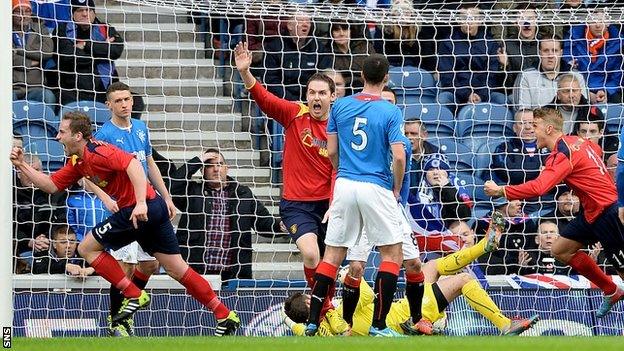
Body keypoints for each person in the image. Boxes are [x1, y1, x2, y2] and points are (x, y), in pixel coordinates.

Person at [9, 112, 240, 336]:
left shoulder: (99, 151)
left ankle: (133, 295)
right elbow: (50, 185)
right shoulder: (78, 161)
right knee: (176, 268)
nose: (57, 137)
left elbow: (133, 165)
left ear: (77, 135)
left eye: (62, 132)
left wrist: (139, 203)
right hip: (153, 208)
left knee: (87, 248)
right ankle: (224, 314)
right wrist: (21, 164)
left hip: (137, 209)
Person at [282, 215, 538, 336]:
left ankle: (484, 246)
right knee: (464, 280)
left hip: (403, 309)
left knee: (433, 266)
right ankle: (504, 324)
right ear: (308, 303)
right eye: (310, 297)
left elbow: (292, 324)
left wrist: (297, 320)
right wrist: (348, 278)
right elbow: (370, 297)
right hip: (405, 315)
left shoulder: (318, 332)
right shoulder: (338, 314)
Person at [484, 107, 624, 317]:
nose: (531, 131)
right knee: (560, 250)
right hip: (591, 212)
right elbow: (597, 153)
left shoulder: (563, 153)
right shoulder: (579, 142)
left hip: (607, 212)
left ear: (548, 128)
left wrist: (502, 190)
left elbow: (539, 188)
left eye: (535, 126)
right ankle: (610, 289)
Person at [304, 54, 406, 337]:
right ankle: (379, 325)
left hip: (345, 184)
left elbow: (332, 151)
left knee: (333, 253)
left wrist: (343, 173)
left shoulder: (342, 106)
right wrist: (396, 186)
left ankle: (313, 321)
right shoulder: (389, 110)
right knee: (392, 253)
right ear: (386, 78)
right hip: (375, 185)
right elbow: (398, 156)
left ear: (360, 76)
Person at [234, 42, 334, 299]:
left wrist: (336, 203)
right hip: (296, 205)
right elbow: (265, 100)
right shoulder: (295, 114)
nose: (316, 98)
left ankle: (326, 308)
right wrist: (245, 72)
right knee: (311, 254)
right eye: (312, 93)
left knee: (329, 263)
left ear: (332, 97)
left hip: (329, 204)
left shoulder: (340, 126)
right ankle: (322, 310)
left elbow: (339, 169)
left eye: (322, 93)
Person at [91, 82, 177, 336]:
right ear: (109, 105)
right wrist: (106, 197)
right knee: (123, 267)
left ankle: (127, 312)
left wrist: (167, 197)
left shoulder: (141, 128)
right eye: (118, 101)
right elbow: (87, 176)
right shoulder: (103, 136)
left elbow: (148, 163)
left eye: (127, 99)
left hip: (147, 204)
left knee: (149, 264)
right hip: (124, 207)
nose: (125, 104)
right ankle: (115, 322)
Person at [341, 85, 427, 336]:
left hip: (392, 207)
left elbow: (405, 180)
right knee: (356, 267)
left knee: (414, 265)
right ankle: (345, 323)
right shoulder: (366, 140)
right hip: (365, 204)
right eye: (382, 100)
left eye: (391, 102)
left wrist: (397, 201)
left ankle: (416, 318)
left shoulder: (403, 145)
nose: (386, 105)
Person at [156, 148, 284, 280]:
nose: (216, 169)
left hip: (234, 273)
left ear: (226, 168)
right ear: (202, 170)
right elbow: (171, 186)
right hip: (196, 271)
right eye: (210, 166)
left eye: (220, 164)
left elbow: (264, 223)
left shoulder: (243, 194)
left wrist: (282, 224)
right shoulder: (192, 191)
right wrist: (198, 160)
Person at [56, 0, 124, 104]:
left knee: (137, 102)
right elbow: (68, 57)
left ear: (94, 13)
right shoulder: (62, 29)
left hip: (105, 88)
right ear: (72, 13)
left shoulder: (105, 28)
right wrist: (102, 50)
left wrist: (85, 45)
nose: (85, 14)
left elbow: (116, 50)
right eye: (80, 10)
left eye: (89, 10)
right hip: (72, 89)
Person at [512, 34, 588, 110]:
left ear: (561, 53)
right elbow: (522, 113)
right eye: (546, 51)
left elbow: (585, 109)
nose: (550, 55)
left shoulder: (577, 76)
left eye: (555, 51)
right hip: (537, 121)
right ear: (539, 53)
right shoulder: (526, 76)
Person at [12, 0, 56, 104]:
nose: (23, 15)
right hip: (11, 87)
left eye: (27, 11)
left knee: (48, 96)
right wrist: (30, 62)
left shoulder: (40, 27)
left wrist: (18, 50)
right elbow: (5, 56)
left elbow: (47, 52)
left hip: (35, 87)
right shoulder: (4, 28)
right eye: (18, 11)